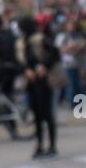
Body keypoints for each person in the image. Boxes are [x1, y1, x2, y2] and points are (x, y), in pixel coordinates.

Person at [19, 16, 59, 159]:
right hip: (32, 83)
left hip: (44, 82)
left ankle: (52, 146)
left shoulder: (41, 39)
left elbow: (55, 54)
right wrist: (26, 70)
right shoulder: (23, 42)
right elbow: (22, 61)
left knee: (47, 115)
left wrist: (44, 67)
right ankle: (40, 145)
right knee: (36, 116)